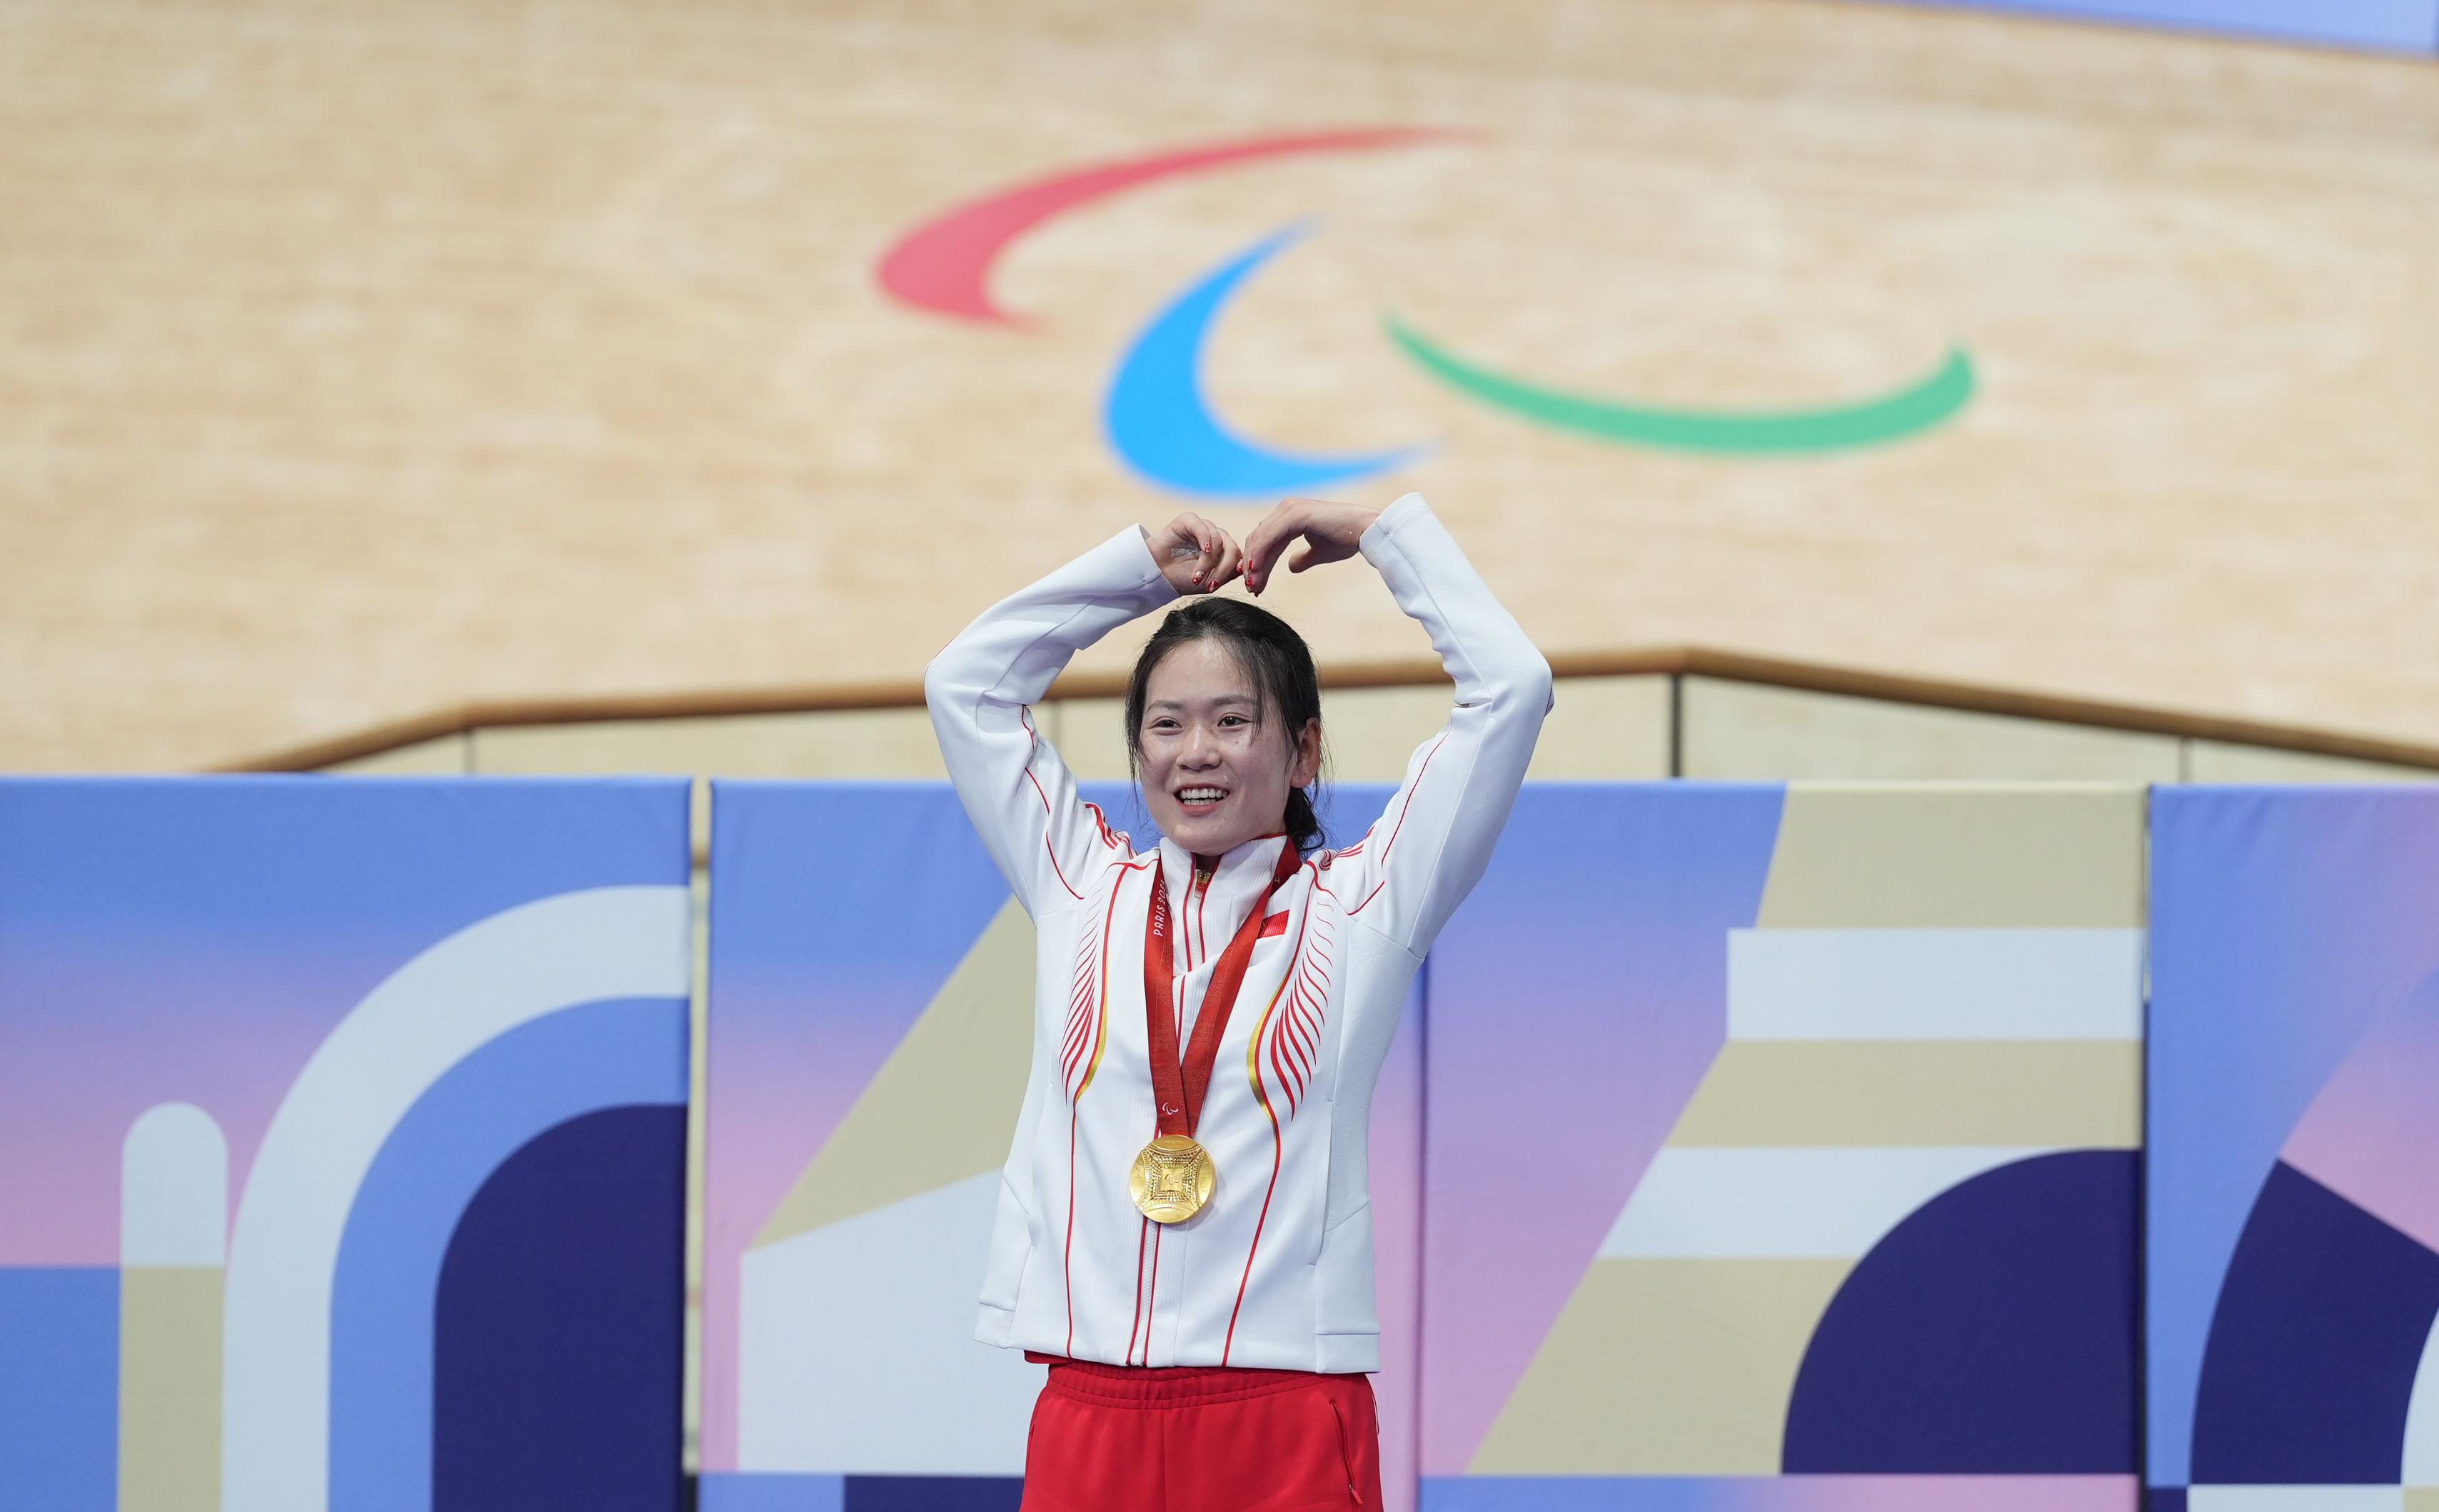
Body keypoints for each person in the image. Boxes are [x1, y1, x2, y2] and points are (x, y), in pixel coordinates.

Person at [925, 494, 1552, 1510]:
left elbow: (1511, 688)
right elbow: (967, 686)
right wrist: (1133, 572)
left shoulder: (1363, 906)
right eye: (1166, 724)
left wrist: (1383, 539)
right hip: (1090, 1410)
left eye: (1232, 721)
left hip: (1285, 1413)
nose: (1196, 752)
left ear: (1303, 751)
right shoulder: (1079, 884)